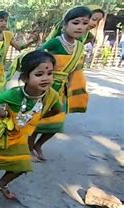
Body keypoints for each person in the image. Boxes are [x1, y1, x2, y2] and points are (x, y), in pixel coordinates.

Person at [0, 50, 61, 204]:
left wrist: (36, 117)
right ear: (26, 78)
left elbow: (57, 110)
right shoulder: (15, 95)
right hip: (5, 135)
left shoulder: (51, 95)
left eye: (50, 73)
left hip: (22, 136)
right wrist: (3, 114)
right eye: (39, 74)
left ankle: (2, 183)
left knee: (22, 166)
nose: (46, 78)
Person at [30, 6, 91, 161]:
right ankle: (29, 147)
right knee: (37, 119)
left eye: (85, 23)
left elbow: (75, 70)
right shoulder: (56, 42)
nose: (80, 27)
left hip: (62, 89)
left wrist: (71, 89)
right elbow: (36, 58)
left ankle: (38, 145)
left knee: (57, 122)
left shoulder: (79, 47)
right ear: (65, 25)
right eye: (76, 22)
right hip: (45, 87)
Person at [0, 10, 38, 96]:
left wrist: (30, 41)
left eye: (6, 21)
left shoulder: (8, 35)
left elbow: (19, 47)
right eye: (1, 20)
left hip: (1, 69)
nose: (4, 23)